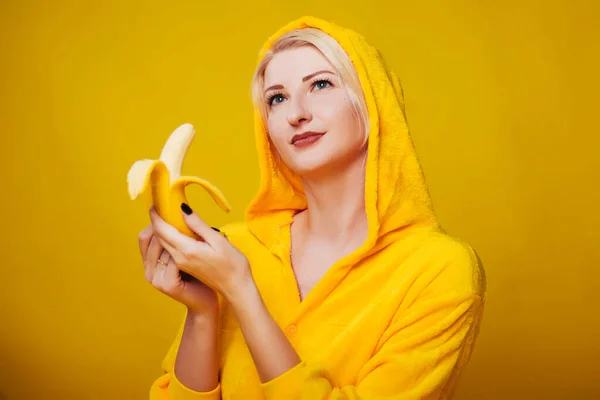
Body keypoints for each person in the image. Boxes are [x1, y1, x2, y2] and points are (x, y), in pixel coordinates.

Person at [139, 15, 486, 400]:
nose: (295, 113)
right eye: (277, 98)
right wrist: (203, 311)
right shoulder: (236, 249)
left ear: (372, 102)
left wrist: (241, 290)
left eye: (321, 84)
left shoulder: (439, 271)